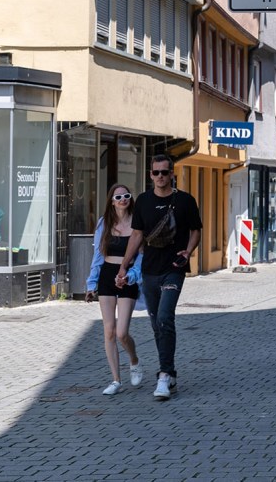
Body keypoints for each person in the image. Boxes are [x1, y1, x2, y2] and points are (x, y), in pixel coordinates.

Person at [118, 155, 202, 401]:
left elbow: (196, 230)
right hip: (149, 271)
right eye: (156, 172)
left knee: (165, 317)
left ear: (172, 174)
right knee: (157, 324)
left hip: (174, 268)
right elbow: (136, 235)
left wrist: (188, 251)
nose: (161, 177)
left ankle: (164, 375)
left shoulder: (185, 200)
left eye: (165, 172)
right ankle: (171, 372)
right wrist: (124, 265)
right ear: (150, 175)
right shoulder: (143, 201)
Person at [86, 184, 144, 396]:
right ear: (111, 201)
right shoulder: (104, 223)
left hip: (128, 276)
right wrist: (91, 284)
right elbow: (98, 256)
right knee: (109, 330)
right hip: (107, 276)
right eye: (118, 197)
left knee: (121, 333)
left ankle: (134, 360)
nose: (122, 199)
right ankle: (116, 379)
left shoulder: (138, 223)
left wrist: (130, 276)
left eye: (126, 196)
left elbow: (141, 257)